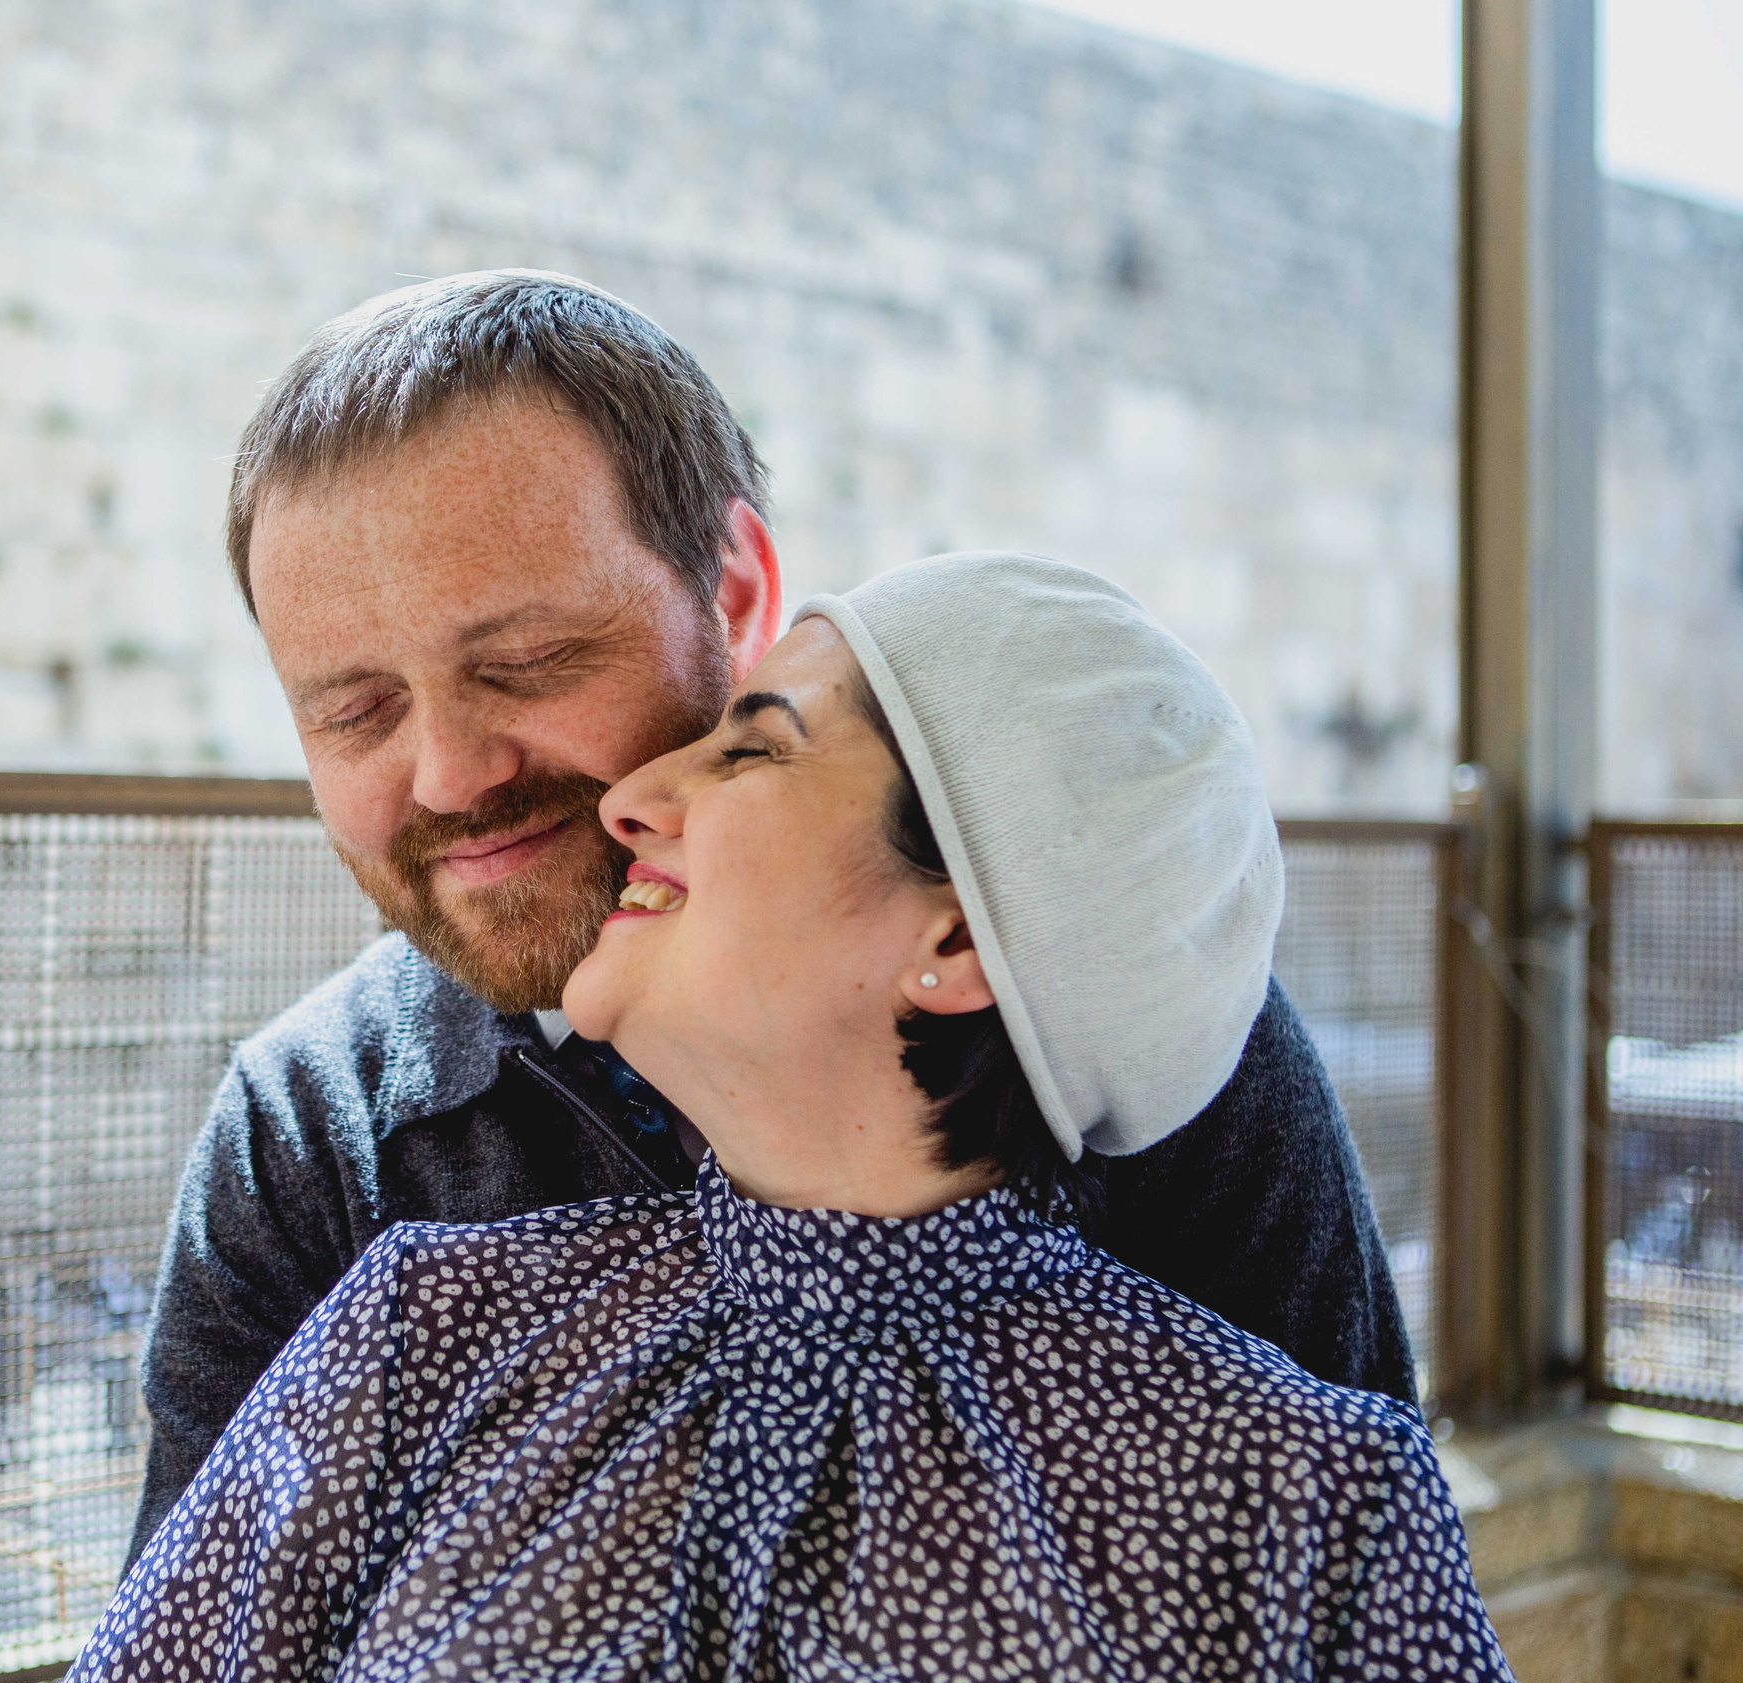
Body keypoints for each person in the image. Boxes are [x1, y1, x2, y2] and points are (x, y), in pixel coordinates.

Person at [62, 554, 1520, 1683]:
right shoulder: (412, 1334)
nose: (633, 797)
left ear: (955, 934)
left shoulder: (1311, 1507)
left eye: (750, 752)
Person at [130, 269, 1414, 1561]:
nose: (452, 774)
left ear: (735, 591)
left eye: (528, 664)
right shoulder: (318, 1149)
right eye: (353, 712)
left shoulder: (1129, 1038)